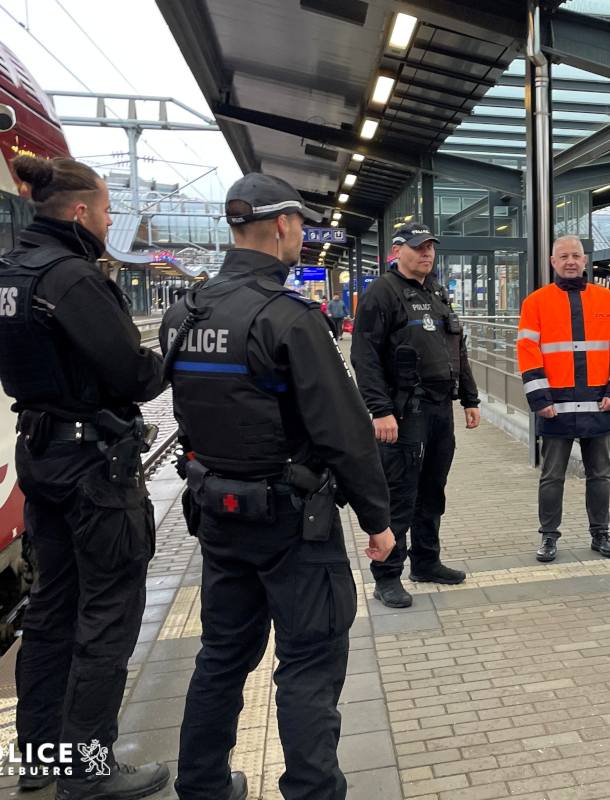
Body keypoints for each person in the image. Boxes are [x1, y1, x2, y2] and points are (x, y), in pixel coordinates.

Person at [162, 174, 395, 800]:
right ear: (284, 225)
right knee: (308, 665)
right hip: (293, 524)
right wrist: (377, 519)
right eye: (301, 227)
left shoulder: (184, 313)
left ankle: (202, 786)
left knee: (220, 656)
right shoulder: (290, 318)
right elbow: (344, 432)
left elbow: (187, 412)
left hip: (217, 515)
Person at [0, 155, 169, 799]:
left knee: (51, 609)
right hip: (94, 471)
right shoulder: (72, 278)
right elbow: (134, 376)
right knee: (107, 615)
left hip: (41, 460)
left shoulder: (2, 274)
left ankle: (40, 757)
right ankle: (87, 768)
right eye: (108, 211)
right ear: (81, 211)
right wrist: (169, 353)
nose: (111, 223)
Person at [351, 221, 481, 608]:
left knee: (432, 491)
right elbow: (364, 357)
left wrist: (470, 398)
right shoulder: (381, 293)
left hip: (440, 408)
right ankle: (387, 576)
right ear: (397, 252)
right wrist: (380, 410)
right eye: (418, 247)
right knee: (399, 494)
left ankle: (425, 562)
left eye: (430, 247)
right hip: (403, 411)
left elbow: (457, 348)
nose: (427, 253)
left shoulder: (437, 291)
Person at [517, 235, 610, 562]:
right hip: (555, 405)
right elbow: (527, 351)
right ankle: (548, 537)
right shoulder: (536, 302)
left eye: (576, 256)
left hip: (599, 403)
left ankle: (601, 534)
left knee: (600, 474)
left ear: (585, 260)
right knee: (552, 475)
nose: (570, 261)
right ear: (553, 262)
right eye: (564, 256)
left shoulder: (609, 300)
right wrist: (540, 399)